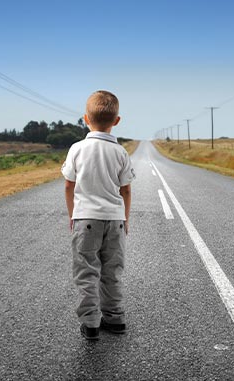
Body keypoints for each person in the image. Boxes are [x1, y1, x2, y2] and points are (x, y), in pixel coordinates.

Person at [61, 90, 135, 341]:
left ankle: (91, 323)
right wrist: (125, 219)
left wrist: (73, 216)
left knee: (86, 272)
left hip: (86, 219)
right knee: (112, 271)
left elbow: (69, 185)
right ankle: (115, 318)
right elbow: (125, 189)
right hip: (115, 220)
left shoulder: (77, 149)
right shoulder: (121, 153)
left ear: (85, 119)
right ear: (116, 121)